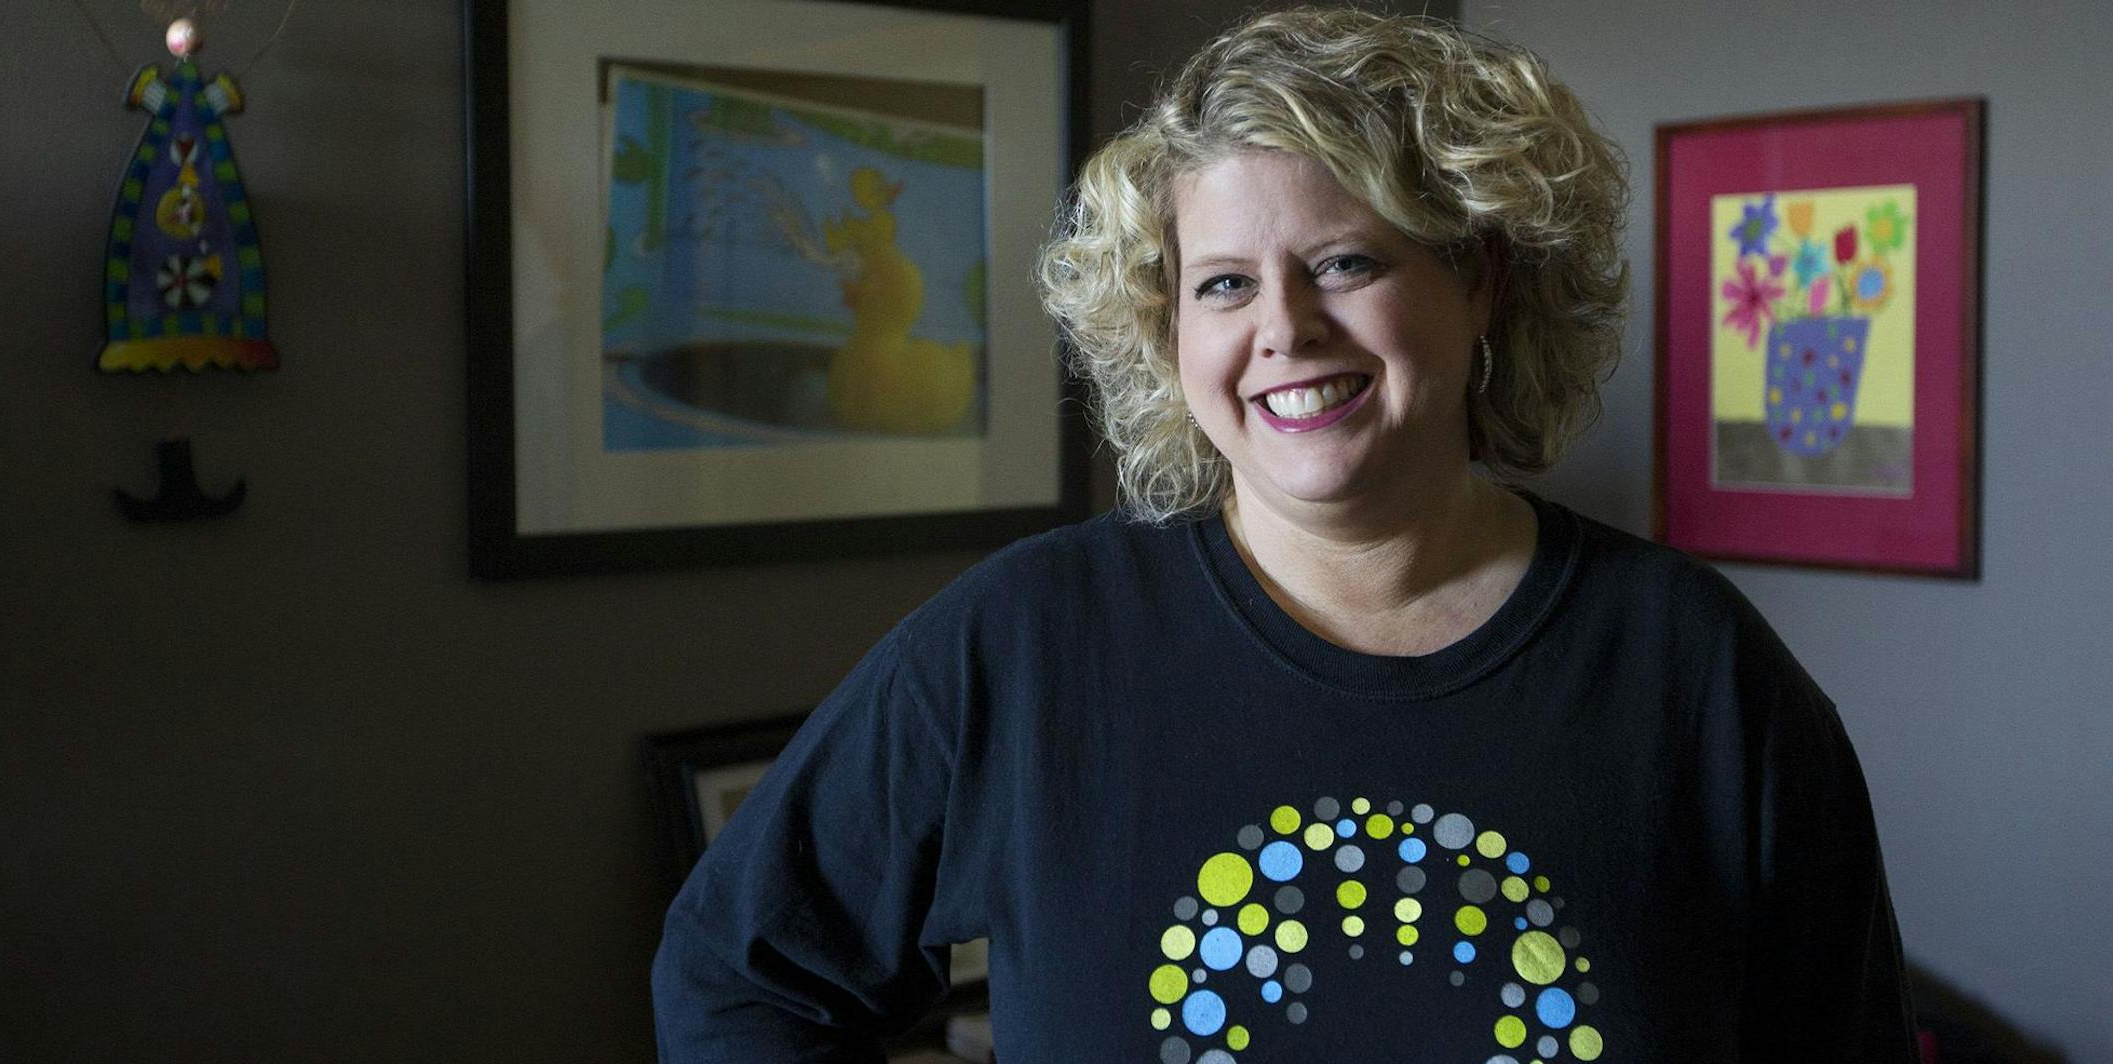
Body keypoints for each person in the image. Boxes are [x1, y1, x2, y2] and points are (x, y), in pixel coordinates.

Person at [652, 9, 1919, 1062]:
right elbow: (742, 976)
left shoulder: (1693, 665)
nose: (1286, 328)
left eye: (1347, 262)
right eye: (1223, 284)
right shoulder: (1027, 642)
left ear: (1480, 279)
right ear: (1168, 328)